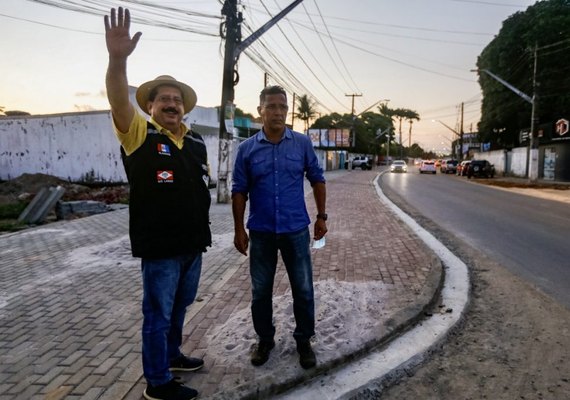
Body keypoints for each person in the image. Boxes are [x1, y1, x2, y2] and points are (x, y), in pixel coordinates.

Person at [104, 7, 211, 400]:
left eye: (176, 100)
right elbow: (118, 101)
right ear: (149, 107)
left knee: (180, 308)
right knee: (157, 314)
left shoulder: (197, 141)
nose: (171, 104)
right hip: (160, 248)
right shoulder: (138, 136)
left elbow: (200, 187)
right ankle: (157, 382)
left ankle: (173, 356)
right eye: (163, 99)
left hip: (193, 244)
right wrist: (118, 61)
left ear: (184, 107)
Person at [231, 85, 327, 369]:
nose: (278, 112)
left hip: (295, 229)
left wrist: (322, 216)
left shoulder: (302, 143)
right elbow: (239, 190)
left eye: (283, 107)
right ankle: (265, 339)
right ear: (260, 110)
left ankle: (303, 340)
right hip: (260, 231)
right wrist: (239, 228)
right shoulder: (246, 149)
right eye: (271, 106)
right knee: (261, 291)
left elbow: (317, 177)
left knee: (304, 289)